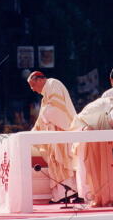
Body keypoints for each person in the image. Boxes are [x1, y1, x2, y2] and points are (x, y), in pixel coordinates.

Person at [70, 97, 113, 207]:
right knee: (98, 169)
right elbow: (77, 121)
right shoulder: (95, 108)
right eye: (112, 124)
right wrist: (85, 128)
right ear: (106, 115)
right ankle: (102, 197)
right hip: (98, 147)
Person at [27, 71, 77, 203]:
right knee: (56, 162)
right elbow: (40, 120)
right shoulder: (45, 97)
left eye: (33, 85)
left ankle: (70, 192)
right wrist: (30, 135)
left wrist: (44, 115)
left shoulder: (53, 83)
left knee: (63, 162)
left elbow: (55, 110)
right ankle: (61, 195)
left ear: (39, 80)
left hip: (62, 131)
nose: (32, 89)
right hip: (54, 134)